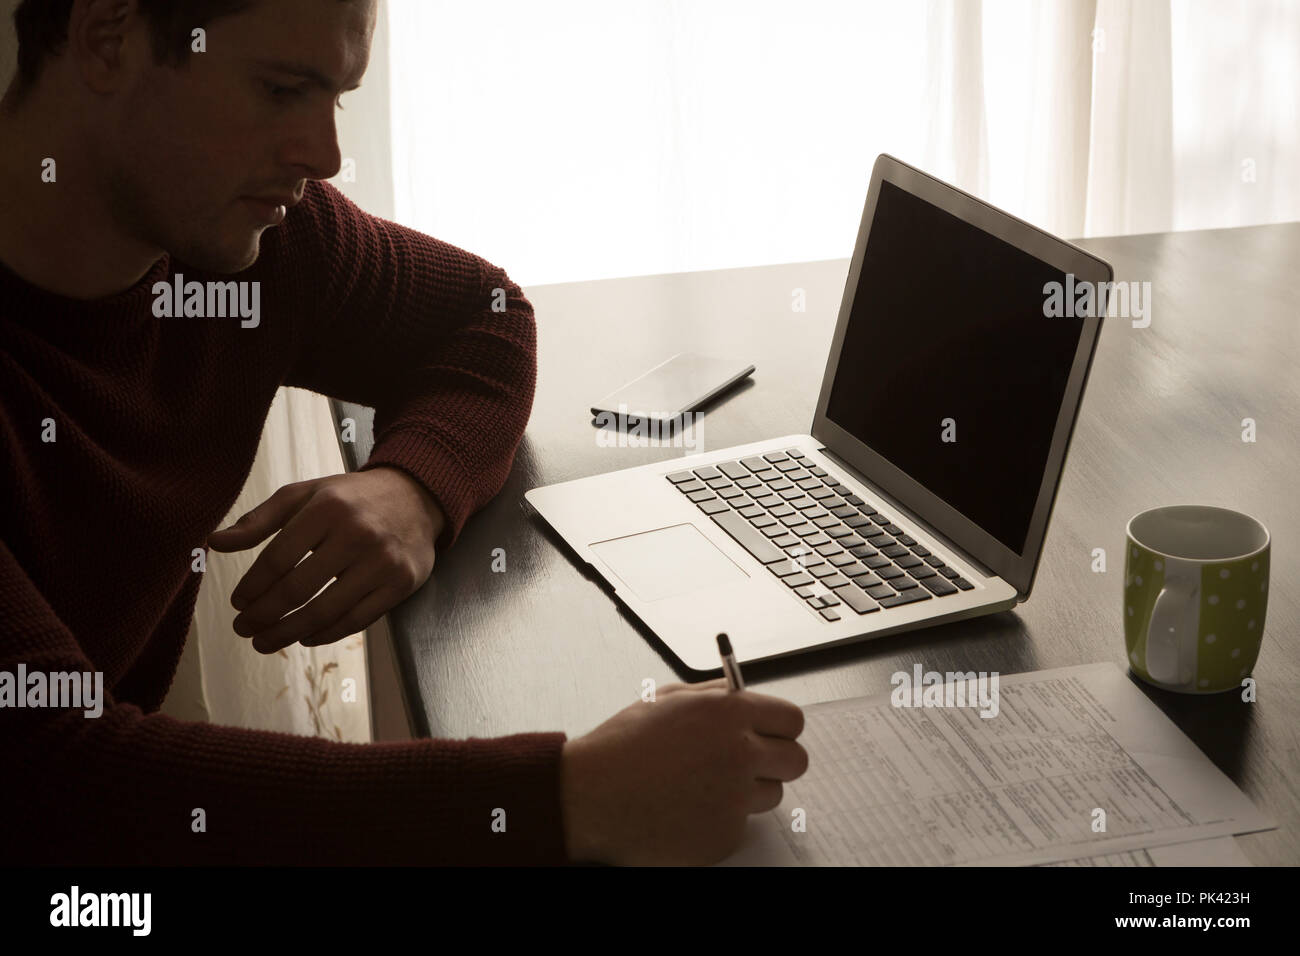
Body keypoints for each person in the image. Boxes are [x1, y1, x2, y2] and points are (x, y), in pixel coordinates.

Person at [0, 0, 808, 865]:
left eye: (337, 99)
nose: (326, 155)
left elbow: (483, 318)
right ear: (106, 37)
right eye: (281, 89)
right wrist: (569, 798)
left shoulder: (260, 240)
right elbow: (54, 778)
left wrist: (413, 488)